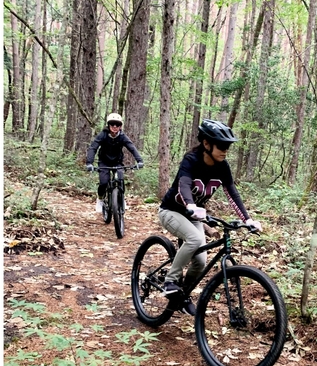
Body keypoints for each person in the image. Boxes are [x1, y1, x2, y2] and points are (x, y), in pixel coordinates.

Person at [158, 119, 262, 316]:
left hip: (193, 217)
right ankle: (170, 281)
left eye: (228, 147)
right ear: (206, 143)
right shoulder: (191, 160)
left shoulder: (222, 167)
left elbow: (232, 193)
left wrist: (248, 220)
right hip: (171, 211)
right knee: (196, 239)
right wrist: (190, 205)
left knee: (200, 261)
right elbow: (184, 185)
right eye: (222, 146)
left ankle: (183, 295)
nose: (225, 150)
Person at [85, 113, 144, 213]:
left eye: (117, 124)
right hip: (104, 162)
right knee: (103, 182)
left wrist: (139, 161)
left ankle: (121, 199)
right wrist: (89, 163)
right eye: (112, 124)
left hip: (117, 162)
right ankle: (100, 199)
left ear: (120, 126)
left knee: (120, 179)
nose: (115, 127)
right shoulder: (103, 135)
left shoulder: (122, 136)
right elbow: (93, 147)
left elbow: (132, 147)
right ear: (108, 125)